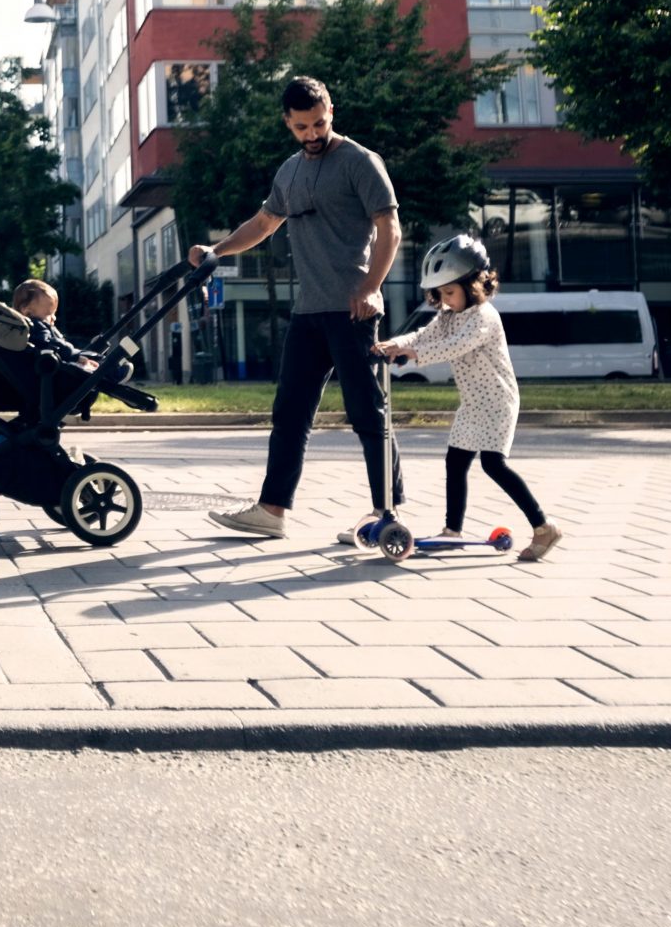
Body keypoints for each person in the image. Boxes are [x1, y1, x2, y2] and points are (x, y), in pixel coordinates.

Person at [188, 76, 403, 540]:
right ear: (288, 123)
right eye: (302, 126)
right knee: (289, 413)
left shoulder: (361, 162)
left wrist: (371, 286)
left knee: (367, 413)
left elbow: (390, 229)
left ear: (331, 112)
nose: (313, 133)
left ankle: (387, 512)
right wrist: (217, 250)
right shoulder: (289, 171)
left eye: (320, 123)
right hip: (309, 312)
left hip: (353, 310)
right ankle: (271, 510)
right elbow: (265, 223)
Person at [376, 233, 560, 563]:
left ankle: (544, 527)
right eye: (440, 294)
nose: (445, 300)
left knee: (493, 464)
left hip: (498, 402)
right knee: (456, 461)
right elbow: (423, 335)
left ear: (473, 284)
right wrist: (395, 344)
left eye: (450, 291)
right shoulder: (447, 316)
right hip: (473, 404)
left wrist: (413, 352)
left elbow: (455, 346)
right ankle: (452, 531)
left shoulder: (484, 318)